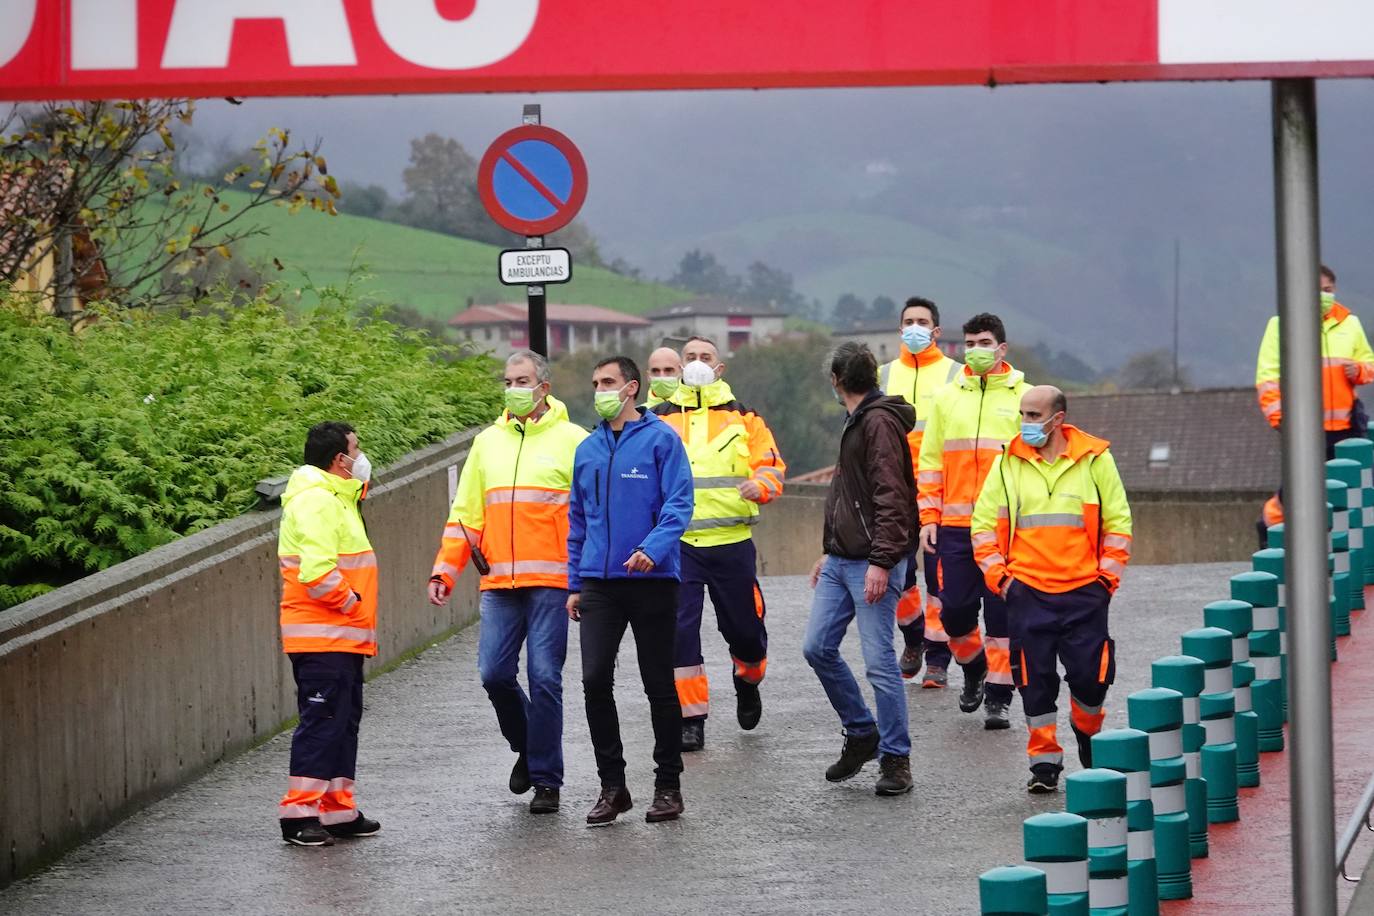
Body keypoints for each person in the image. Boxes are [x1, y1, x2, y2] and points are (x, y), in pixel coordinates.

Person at [427, 350, 587, 815]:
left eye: (522, 379)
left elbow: (588, 514)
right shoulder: (487, 443)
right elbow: (467, 515)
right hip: (498, 581)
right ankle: (528, 746)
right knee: (494, 674)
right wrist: (445, 570)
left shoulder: (574, 441)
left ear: (544, 387)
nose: (513, 387)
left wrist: (587, 578)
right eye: (508, 379)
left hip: (552, 581)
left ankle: (547, 781)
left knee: (544, 678)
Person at [971, 386, 1132, 793]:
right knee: (1034, 681)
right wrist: (1002, 581)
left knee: (1091, 680)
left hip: (1085, 594)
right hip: (1027, 594)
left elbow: (1118, 523)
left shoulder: (1095, 459)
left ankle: (1087, 732)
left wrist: (1105, 581)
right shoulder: (1007, 463)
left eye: (1032, 415)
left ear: (1057, 419)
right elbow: (983, 525)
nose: (1024, 423)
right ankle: (1044, 763)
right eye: (1022, 414)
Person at [567, 355, 695, 825]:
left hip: (652, 579)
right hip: (599, 583)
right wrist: (574, 582)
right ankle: (613, 787)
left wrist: (653, 548)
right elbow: (578, 520)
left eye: (607, 382)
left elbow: (680, 504)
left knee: (658, 684)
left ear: (631, 388)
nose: (599, 389)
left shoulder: (662, 440)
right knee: (594, 680)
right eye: (595, 382)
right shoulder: (587, 449)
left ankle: (668, 786)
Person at [651, 336, 786, 751]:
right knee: (679, 635)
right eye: (689, 357)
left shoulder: (745, 418)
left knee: (745, 631)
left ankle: (749, 678)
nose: (695, 363)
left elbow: (772, 465)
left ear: (719, 367)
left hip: (732, 542)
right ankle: (692, 719)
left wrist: (760, 485)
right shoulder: (658, 420)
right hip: (679, 547)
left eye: (704, 357)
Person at [803, 341, 916, 797]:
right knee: (817, 647)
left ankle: (896, 758)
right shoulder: (859, 420)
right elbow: (851, 496)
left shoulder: (878, 422)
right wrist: (830, 549)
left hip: (873, 562)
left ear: (835, 380)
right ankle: (862, 732)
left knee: (879, 662)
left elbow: (893, 496)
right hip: (841, 559)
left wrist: (882, 562)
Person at [918, 312, 1031, 729]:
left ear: (1002, 349)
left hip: (1006, 532)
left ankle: (999, 699)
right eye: (969, 343)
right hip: (955, 527)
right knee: (954, 614)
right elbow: (930, 464)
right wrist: (928, 516)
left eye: (984, 343)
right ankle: (973, 667)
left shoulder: (1027, 398)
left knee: (1003, 619)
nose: (975, 350)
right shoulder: (947, 399)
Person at [276, 421, 381, 846]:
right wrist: (353, 605)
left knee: (342, 721)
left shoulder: (337, 501)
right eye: (357, 449)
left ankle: (337, 809)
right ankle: (299, 814)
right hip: (324, 636)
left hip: (339, 636)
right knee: (322, 722)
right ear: (340, 459)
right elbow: (318, 573)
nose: (361, 457)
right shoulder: (317, 502)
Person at [1255, 264, 1374, 537]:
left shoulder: (1350, 324)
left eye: (1328, 290)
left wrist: (1358, 370)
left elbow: (1369, 364)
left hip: (1346, 426)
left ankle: (1341, 551)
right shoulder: (1280, 325)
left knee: (1353, 489)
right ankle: (1269, 531)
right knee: (1298, 491)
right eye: (1316, 290)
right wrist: (1280, 419)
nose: (1323, 296)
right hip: (1304, 427)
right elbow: (1268, 377)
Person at [879, 296, 961, 688]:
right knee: (902, 576)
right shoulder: (882, 375)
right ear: (900, 329)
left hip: (940, 489)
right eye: (908, 321)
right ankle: (914, 640)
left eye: (922, 321)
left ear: (936, 330)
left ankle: (939, 657)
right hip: (892, 491)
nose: (915, 327)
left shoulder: (955, 375)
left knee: (940, 579)